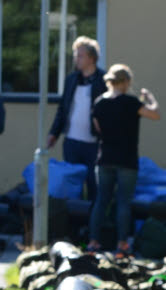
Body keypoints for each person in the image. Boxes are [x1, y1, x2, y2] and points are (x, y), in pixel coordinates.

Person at [85, 64, 161, 256]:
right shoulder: (131, 102)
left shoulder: (99, 102)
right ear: (126, 82)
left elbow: (96, 129)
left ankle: (93, 242)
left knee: (101, 200)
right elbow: (155, 114)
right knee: (123, 202)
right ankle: (122, 245)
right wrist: (150, 98)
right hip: (127, 159)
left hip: (104, 158)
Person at [48, 36, 108, 200]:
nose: (76, 58)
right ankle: (74, 223)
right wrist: (54, 132)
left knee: (93, 185)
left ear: (92, 58)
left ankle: (91, 223)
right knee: (73, 187)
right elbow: (63, 108)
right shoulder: (71, 79)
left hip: (93, 143)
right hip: (72, 142)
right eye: (75, 55)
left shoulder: (103, 81)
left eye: (80, 55)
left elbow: (108, 113)